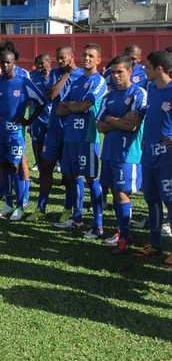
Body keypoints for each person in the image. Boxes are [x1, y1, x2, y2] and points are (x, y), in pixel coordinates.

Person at [0, 50, 47, 221]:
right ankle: (9, 204)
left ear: (14, 63)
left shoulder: (24, 82)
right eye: (3, 62)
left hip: (16, 133)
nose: (5, 65)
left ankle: (20, 207)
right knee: (4, 165)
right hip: (0, 132)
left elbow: (41, 102)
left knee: (16, 166)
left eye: (9, 62)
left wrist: (29, 120)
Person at [53, 43, 106, 239]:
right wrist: (76, 107)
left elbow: (87, 104)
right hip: (70, 137)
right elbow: (59, 108)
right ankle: (77, 217)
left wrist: (73, 106)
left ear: (98, 60)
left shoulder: (98, 81)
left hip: (87, 138)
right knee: (73, 176)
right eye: (85, 54)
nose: (87, 58)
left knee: (92, 178)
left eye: (91, 56)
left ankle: (98, 224)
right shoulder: (75, 82)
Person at [26, 45, 84, 222]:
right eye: (58, 58)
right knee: (45, 168)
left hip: (72, 132)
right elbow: (50, 95)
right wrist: (65, 75)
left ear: (72, 57)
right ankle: (41, 208)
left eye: (63, 57)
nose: (60, 61)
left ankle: (68, 209)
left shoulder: (82, 75)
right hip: (54, 130)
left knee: (68, 174)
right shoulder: (56, 73)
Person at [97, 55, 147, 254]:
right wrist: (117, 119)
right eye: (113, 72)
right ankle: (122, 231)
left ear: (129, 72)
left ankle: (125, 238)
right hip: (109, 151)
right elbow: (99, 125)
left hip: (128, 153)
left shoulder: (138, 93)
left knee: (122, 193)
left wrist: (111, 120)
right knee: (114, 191)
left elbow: (132, 125)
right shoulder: (108, 97)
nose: (116, 76)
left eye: (120, 72)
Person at [132, 50, 172, 267]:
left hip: (168, 157)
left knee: (170, 200)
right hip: (149, 156)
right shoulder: (150, 88)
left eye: (147, 67)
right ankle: (154, 243)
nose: (143, 70)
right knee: (152, 198)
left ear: (159, 69)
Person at [29, 53, 53, 172]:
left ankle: (58, 163)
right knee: (37, 141)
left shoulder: (56, 75)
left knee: (54, 140)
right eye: (37, 63)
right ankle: (38, 163)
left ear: (49, 63)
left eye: (42, 63)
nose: (39, 66)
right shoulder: (32, 76)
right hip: (37, 115)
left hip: (53, 115)